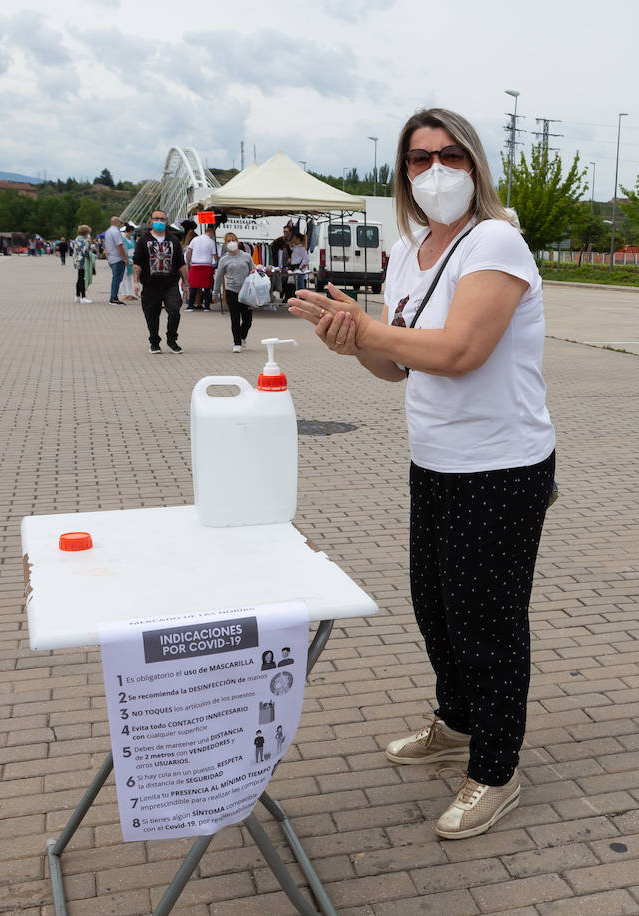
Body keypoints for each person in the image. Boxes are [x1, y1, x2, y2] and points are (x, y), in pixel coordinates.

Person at [289, 107, 556, 841]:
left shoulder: (495, 242)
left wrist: (372, 331)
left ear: (475, 163)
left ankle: (496, 771)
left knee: (488, 622)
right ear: (403, 173)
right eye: (418, 159)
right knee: (436, 606)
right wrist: (352, 341)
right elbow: (397, 363)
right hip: (434, 461)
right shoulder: (409, 251)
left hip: (501, 466)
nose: (435, 171)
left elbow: (463, 349)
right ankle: (460, 722)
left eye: (450, 156)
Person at [131, 209, 188, 354]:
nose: (159, 222)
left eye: (162, 219)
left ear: (166, 221)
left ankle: (172, 340)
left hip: (170, 283)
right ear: (150, 221)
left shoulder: (173, 240)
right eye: (156, 219)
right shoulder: (143, 240)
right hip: (150, 284)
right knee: (151, 314)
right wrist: (135, 282)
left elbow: (181, 264)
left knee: (174, 310)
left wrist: (186, 283)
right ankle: (154, 342)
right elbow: (137, 263)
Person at [213, 231, 256, 352]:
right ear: (225, 244)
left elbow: (253, 269)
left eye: (233, 240)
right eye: (228, 241)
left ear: (237, 242)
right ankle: (237, 343)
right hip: (232, 291)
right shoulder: (224, 259)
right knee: (235, 319)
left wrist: (254, 272)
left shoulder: (246, 256)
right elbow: (219, 277)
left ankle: (242, 336)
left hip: (246, 291)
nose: (231, 243)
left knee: (248, 320)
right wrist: (215, 293)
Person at [185, 225, 218, 311]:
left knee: (193, 286)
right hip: (207, 266)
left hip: (195, 265)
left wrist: (188, 263)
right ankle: (207, 307)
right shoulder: (211, 242)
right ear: (211, 233)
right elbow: (214, 256)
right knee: (207, 287)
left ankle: (190, 306)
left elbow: (189, 252)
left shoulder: (195, 239)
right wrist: (217, 261)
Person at [102, 217, 129, 305]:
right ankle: (113, 298)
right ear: (117, 222)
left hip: (112, 257)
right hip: (118, 258)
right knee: (117, 278)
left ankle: (114, 297)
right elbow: (119, 245)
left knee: (116, 278)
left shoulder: (108, 231)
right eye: (120, 222)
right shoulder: (116, 232)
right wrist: (124, 258)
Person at [71, 226, 94, 303]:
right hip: (83, 262)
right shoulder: (84, 240)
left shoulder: (77, 239)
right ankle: (83, 297)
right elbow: (86, 251)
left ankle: (77, 296)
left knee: (79, 278)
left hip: (77, 260)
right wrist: (92, 256)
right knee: (83, 279)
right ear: (86, 232)